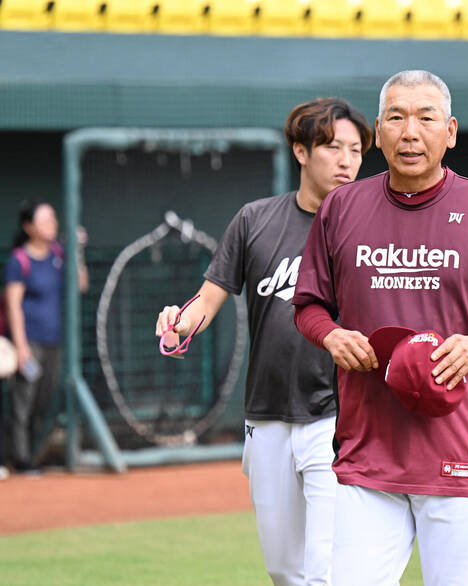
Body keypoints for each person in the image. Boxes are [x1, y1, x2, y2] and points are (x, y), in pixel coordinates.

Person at [292, 70, 468, 586]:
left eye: (425, 117)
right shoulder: (341, 208)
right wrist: (329, 334)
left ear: (451, 131)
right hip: (366, 454)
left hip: (461, 453)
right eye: (395, 117)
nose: (409, 131)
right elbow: (308, 306)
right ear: (378, 131)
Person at [154, 98, 372, 586]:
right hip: (267, 415)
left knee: (327, 569)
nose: (346, 161)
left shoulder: (371, 229)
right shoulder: (256, 219)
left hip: (339, 416)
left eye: (356, 150)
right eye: (333, 147)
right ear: (300, 151)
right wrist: (178, 323)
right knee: (283, 570)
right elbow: (208, 300)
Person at [3, 201, 88, 474]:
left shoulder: (59, 254)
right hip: (29, 342)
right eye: (44, 220)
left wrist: (77, 251)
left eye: (53, 219)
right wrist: (22, 346)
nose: (51, 224)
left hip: (54, 340)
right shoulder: (19, 260)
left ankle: (35, 455)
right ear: (29, 228)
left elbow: (82, 285)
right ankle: (21, 458)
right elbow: (13, 305)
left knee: (46, 401)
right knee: (22, 403)